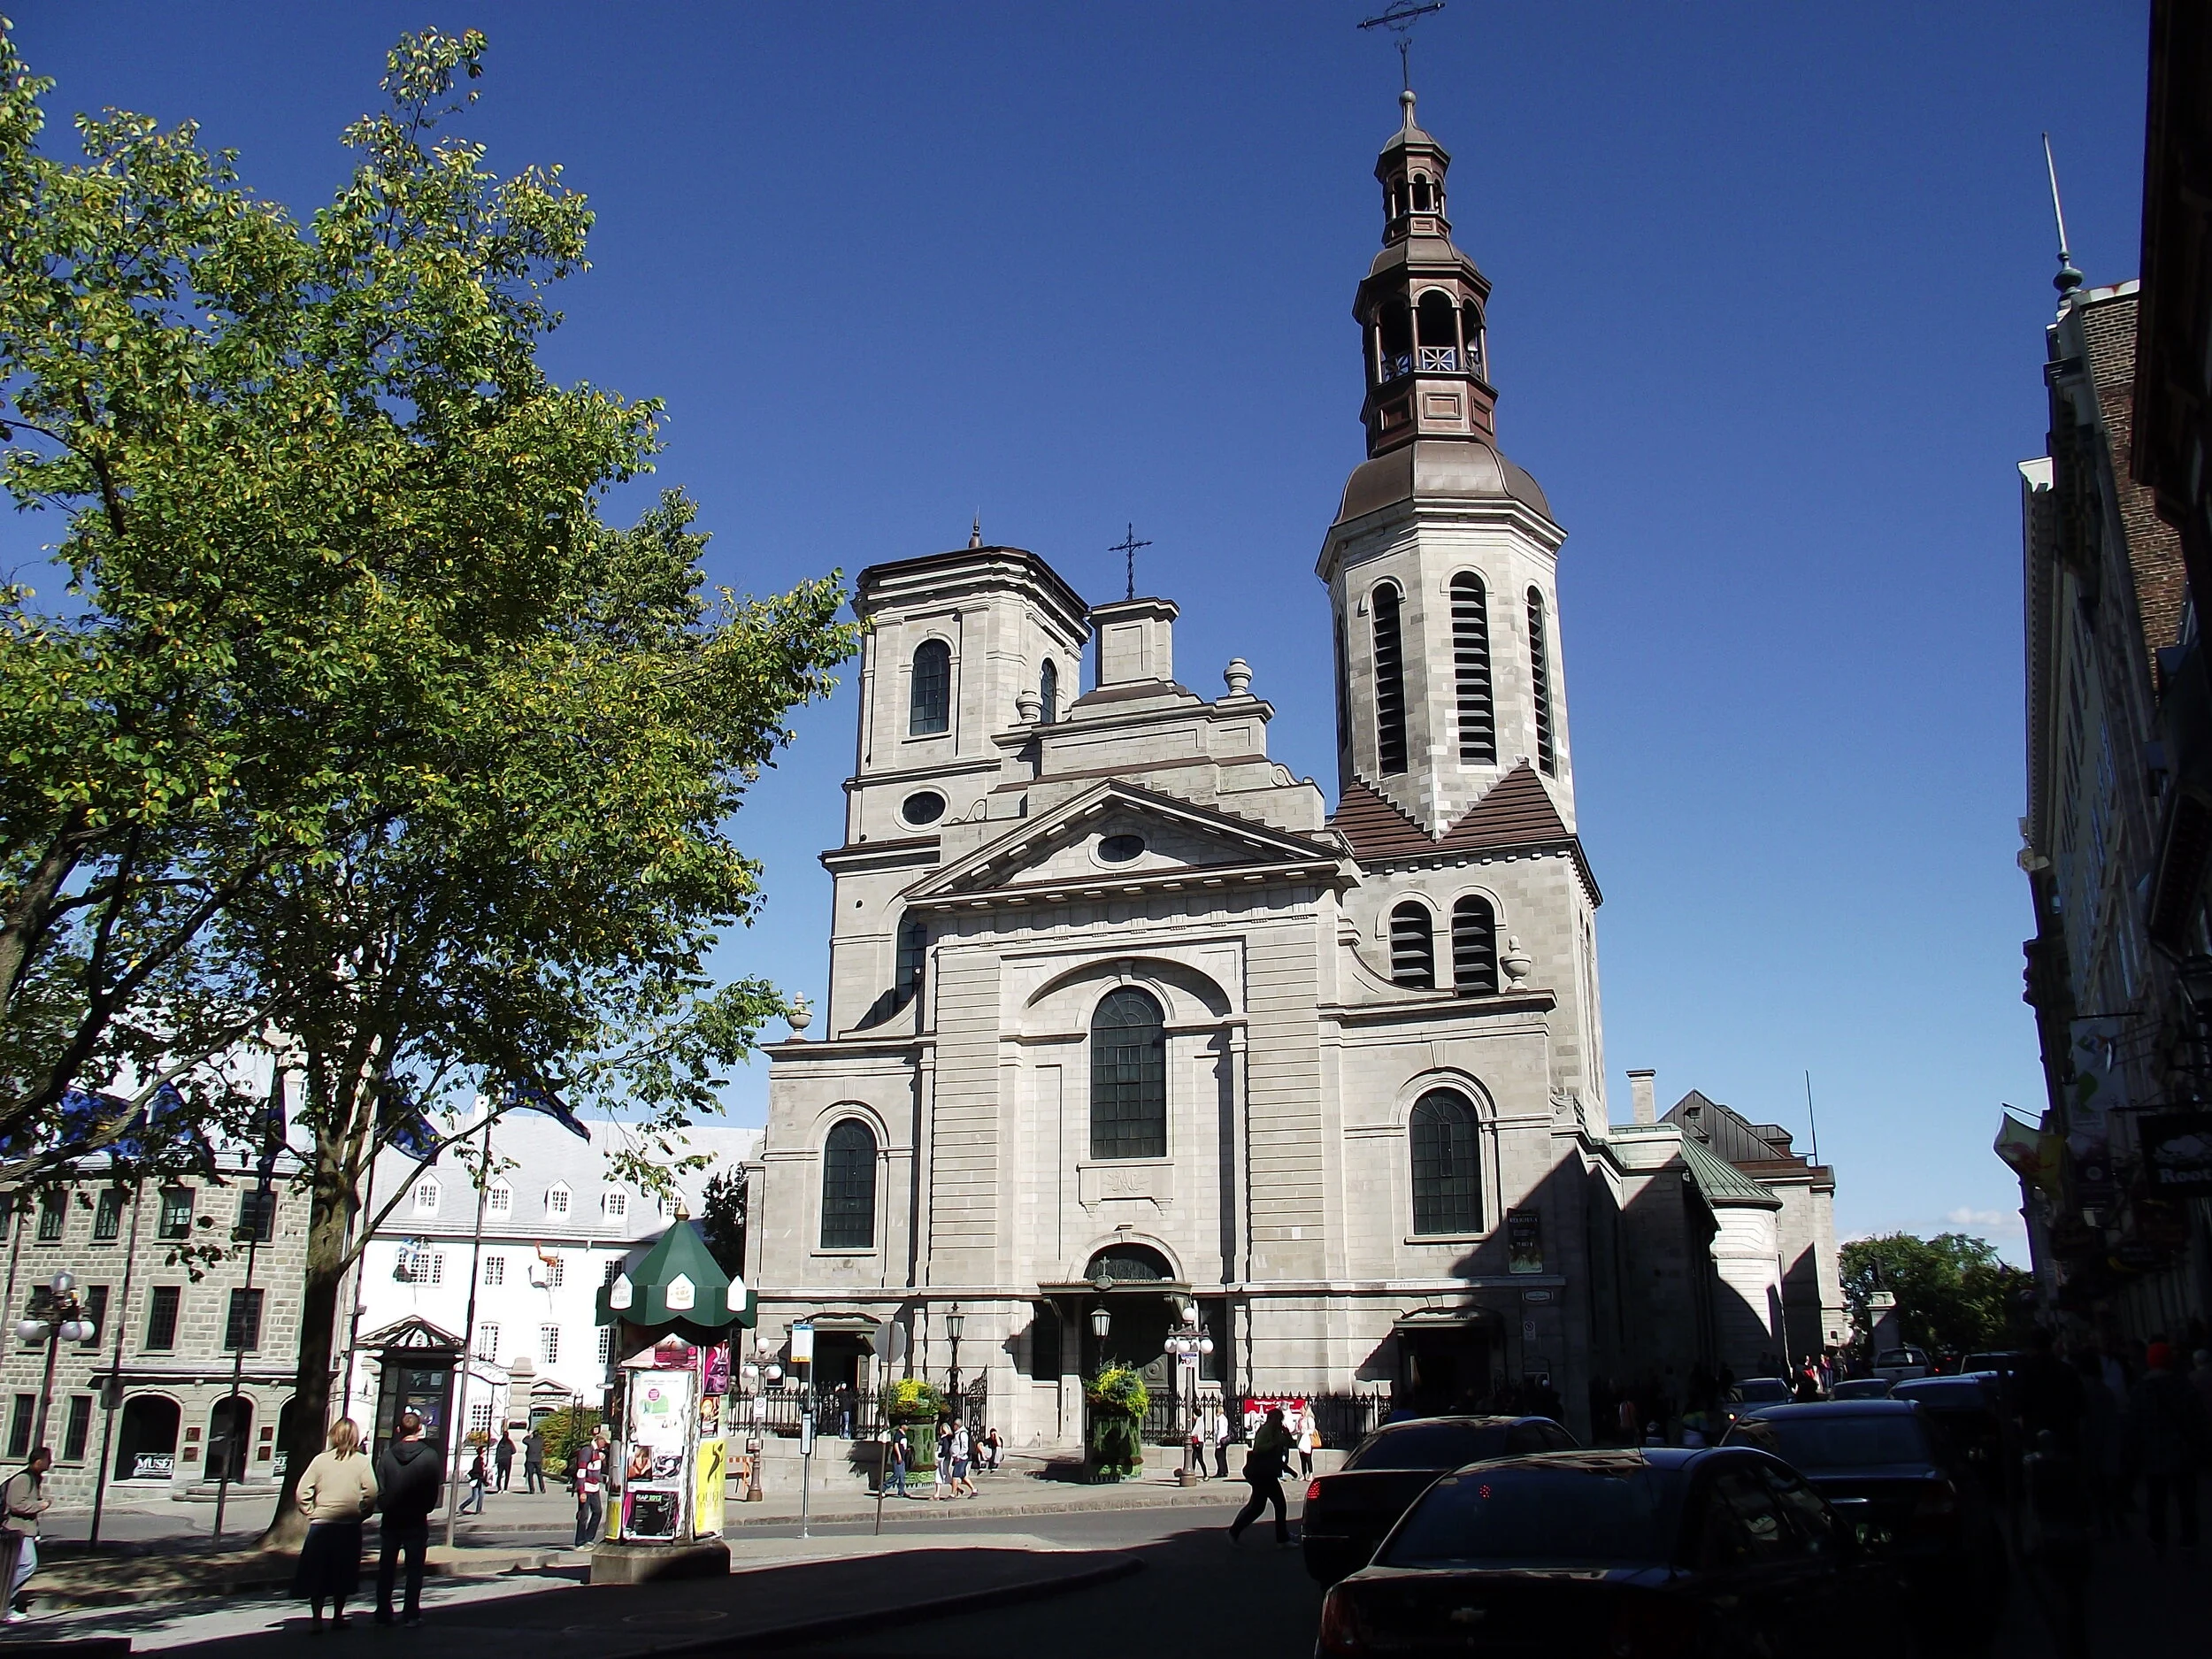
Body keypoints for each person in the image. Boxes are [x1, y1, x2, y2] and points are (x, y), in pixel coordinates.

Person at [293, 1418, 378, 1632]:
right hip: (348, 1524)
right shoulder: (361, 1461)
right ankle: (338, 1616)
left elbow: (303, 1491)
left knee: (318, 1572)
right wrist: (364, 1512)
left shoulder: (320, 1461)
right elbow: (372, 1491)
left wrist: (310, 1511)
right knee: (344, 1571)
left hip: (322, 1523)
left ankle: (316, 1619)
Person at [2128, 1340, 2210, 1555]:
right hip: (2182, 1451)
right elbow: (2197, 1420)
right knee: (2186, 1500)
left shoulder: (2141, 1389)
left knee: (2156, 1499)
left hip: (2154, 1453)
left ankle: (2157, 1535)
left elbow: (2135, 1425)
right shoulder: (2183, 1386)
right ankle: (2188, 1539)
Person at [2021, 1429, 2093, 1659]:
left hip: (2055, 1534)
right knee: (2070, 1597)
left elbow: (2032, 1504)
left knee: (2061, 1596)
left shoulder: (2034, 1466)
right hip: (2069, 1534)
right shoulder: (2066, 1465)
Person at [373, 1409, 442, 1627]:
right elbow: (432, 1488)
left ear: (398, 1430)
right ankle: (411, 1612)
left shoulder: (387, 1456)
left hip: (392, 1518)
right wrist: (425, 1508)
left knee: (386, 1568)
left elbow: (380, 1488)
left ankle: (383, 1612)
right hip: (415, 1518)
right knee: (414, 1569)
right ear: (419, 1429)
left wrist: (385, 1506)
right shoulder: (429, 1456)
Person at [0, 1448, 51, 1623]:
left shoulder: (34, 1478)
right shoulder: (23, 1478)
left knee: (20, 1566)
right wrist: (40, 1505)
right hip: (18, 1530)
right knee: (28, 1565)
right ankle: (4, 1603)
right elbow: (16, 1504)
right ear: (38, 1461)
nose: (50, 1463)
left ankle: (6, 1604)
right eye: (47, 1459)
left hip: (26, 1530)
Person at [1229, 1407, 1293, 1547]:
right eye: (1278, 1419)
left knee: (1257, 1507)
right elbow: (1258, 1449)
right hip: (1264, 1475)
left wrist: (1286, 1435)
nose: (1280, 1422)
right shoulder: (1266, 1430)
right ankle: (1282, 1538)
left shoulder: (1275, 1432)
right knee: (1279, 1505)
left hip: (1266, 1474)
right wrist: (1274, 1443)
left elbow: (1284, 1445)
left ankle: (1234, 1531)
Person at [572, 1429, 607, 1548]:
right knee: (584, 1515)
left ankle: (589, 1538)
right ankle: (580, 1541)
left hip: (594, 1488)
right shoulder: (587, 1451)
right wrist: (582, 1491)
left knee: (597, 1512)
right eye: (604, 1442)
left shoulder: (598, 1452)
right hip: (586, 1487)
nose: (605, 1444)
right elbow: (581, 1472)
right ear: (599, 1439)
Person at [949, 1418, 978, 1498]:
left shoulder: (962, 1434)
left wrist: (958, 1456)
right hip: (958, 1458)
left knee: (955, 1475)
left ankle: (953, 1494)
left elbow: (965, 1447)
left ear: (957, 1426)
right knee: (963, 1476)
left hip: (961, 1458)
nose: (953, 1427)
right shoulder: (958, 1433)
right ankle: (974, 1490)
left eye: (954, 1425)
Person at [457, 1445, 488, 1516]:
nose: (485, 1453)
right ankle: (461, 1507)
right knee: (474, 1496)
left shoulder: (481, 1460)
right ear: (481, 1452)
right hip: (476, 1480)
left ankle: (479, 1510)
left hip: (479, 1480)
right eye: (484, 1451)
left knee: (481, 1495)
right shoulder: (478, 1460)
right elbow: (477, 1471)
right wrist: (484, 1470)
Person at [886, 1424, 910, 1499]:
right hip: (896, 1458)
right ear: (902, 1426)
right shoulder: (898, 1434)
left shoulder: (904, 1434)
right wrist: (899, 1456)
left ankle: (901, 1491)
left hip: (902, 1457)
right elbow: (896, 1445)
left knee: (902, 1475)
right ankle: (883, 1487)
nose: (908, 1427)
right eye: (906, 1425)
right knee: (896, 1475)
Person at [1297, 1405, 1320, 1479]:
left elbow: (1312, 1430)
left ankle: (1310, 1473)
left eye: (1302, 1408)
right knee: (1302, 1458)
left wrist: (1305, 1432)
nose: (1300, 1409)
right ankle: (1304, 1474)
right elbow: (1297, 1428)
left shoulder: (1309, 1419)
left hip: (1307, 1439)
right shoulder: (1301, 1418)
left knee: (1308, 1457)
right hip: (1301, 1438)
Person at [522, 1426, 546, 1494]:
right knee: (540, 1475)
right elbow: (542, 1439)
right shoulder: (540, 1441)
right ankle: (542, 1489)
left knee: (530, 1475)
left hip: (530, 1460)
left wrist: (529, 1435)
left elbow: (524, 1440)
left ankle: (532, 1489)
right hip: (538, 1460)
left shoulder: (530, 1441)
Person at [1212, 1404, 1233, 1479]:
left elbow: (1220, 1430)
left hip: (1221, 1440)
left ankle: (1221, 1471)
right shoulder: (1224, 1418)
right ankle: (1224, 1470)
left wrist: (1218, 1440)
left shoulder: (1220, 1419)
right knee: (1223, 1455)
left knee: (1218, 1455)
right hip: (1224, 1439)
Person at [493, 1429, 515, 1493]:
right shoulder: (510, 1443)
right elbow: (514, 1451)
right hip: (507, 1461)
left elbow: (498, 1452)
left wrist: (496, 1460)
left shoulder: (500, 1442)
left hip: (500, 1461)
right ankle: (505, 1489)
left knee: (499, 1475)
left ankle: (499, 1488)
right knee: (507, 1475)